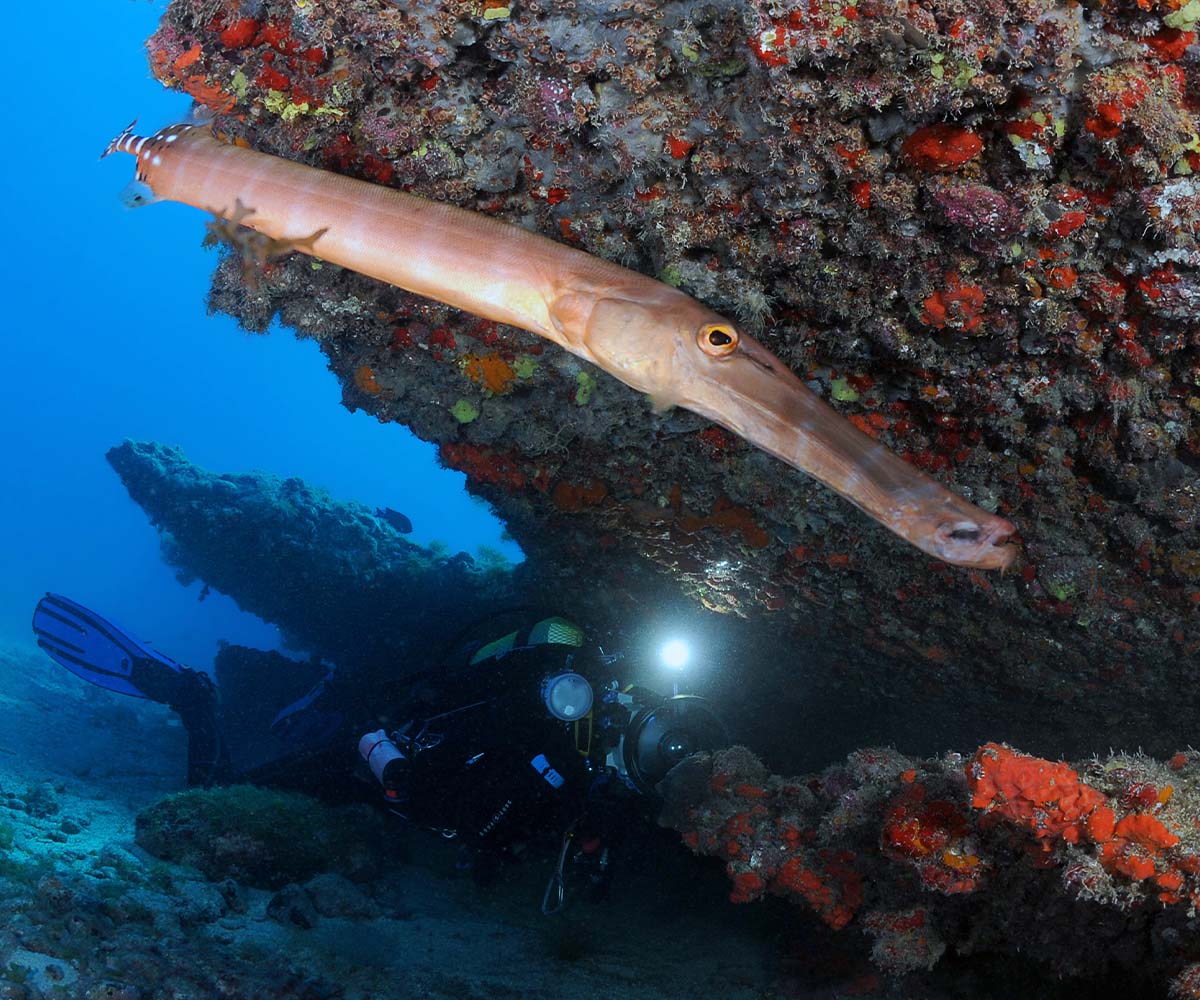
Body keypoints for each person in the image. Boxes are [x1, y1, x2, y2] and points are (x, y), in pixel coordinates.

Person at [31, 593, 729, 903]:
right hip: (363, 764)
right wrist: (371, 746)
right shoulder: (546, 743)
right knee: (202, 813)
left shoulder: (584, 770)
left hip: (393, 767)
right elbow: (427, 800)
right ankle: (192, 695)